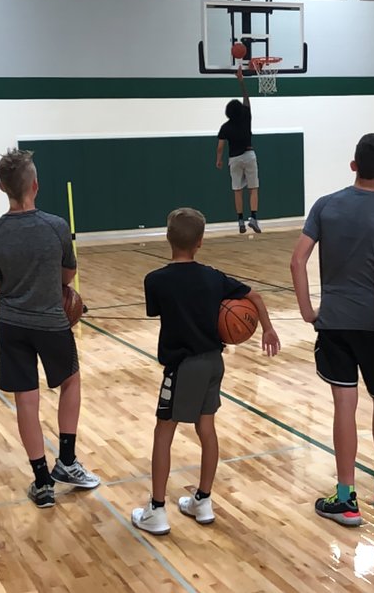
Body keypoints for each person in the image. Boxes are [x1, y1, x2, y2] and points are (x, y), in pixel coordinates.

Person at [289, 133, 374, 527]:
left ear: (353, 165)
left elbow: (297, 262)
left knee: (344, 406)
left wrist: (307, 310)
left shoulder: (325, 205)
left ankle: (346, 497)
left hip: (334, 324)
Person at [132, 208, 280, 535]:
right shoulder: (214, 277)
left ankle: (157, 510)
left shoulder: (155, 280)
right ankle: (203, 500)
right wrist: (268, 329)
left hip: (182, 367)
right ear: (200, 242)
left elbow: (161, 311)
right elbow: (254, 295)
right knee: (206, 429)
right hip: (214, 362)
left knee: (163, 432)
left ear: (168, 237)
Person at [0, 149, 100, 509]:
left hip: (11, 324)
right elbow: (68, 275)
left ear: (1, 187)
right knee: (71, 382)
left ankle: (42, 481)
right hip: (51, 322)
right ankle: (67, 461)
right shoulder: (56, 226)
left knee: (26, 400)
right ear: (35, 185)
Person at [216, 66, 262, 235]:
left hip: (234, 159)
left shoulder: (225, 127)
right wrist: (241, 81)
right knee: (253, 188)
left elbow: (220, 146)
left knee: (237, 190)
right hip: (249, 155)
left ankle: (240, 220)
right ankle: (254, 218)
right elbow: (246, 98)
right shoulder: (246, 117)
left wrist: (219, 160)